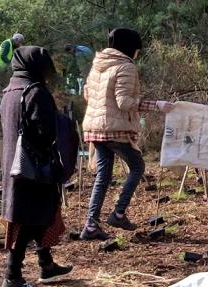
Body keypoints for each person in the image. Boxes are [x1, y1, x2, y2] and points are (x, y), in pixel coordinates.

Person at [79, 28, 175, 240]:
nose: (137, 55)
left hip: (94, 128)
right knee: (138, 167)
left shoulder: (98, 65)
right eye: (137, 51)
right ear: (130, 48)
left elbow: (87, 94)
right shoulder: (126, 66)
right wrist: (156, 105)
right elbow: (124, 102)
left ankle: (91, 225)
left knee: (103, 176)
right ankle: (118, 213)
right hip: (115, 129)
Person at [0, 46, 74, 287]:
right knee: (29, 219)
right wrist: (63, 124)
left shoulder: (9, 91)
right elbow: (46, 130)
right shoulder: (35, 91)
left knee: (40, 213)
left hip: (15, 165)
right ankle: (12, 277)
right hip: (35, 168)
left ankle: (46, 265)